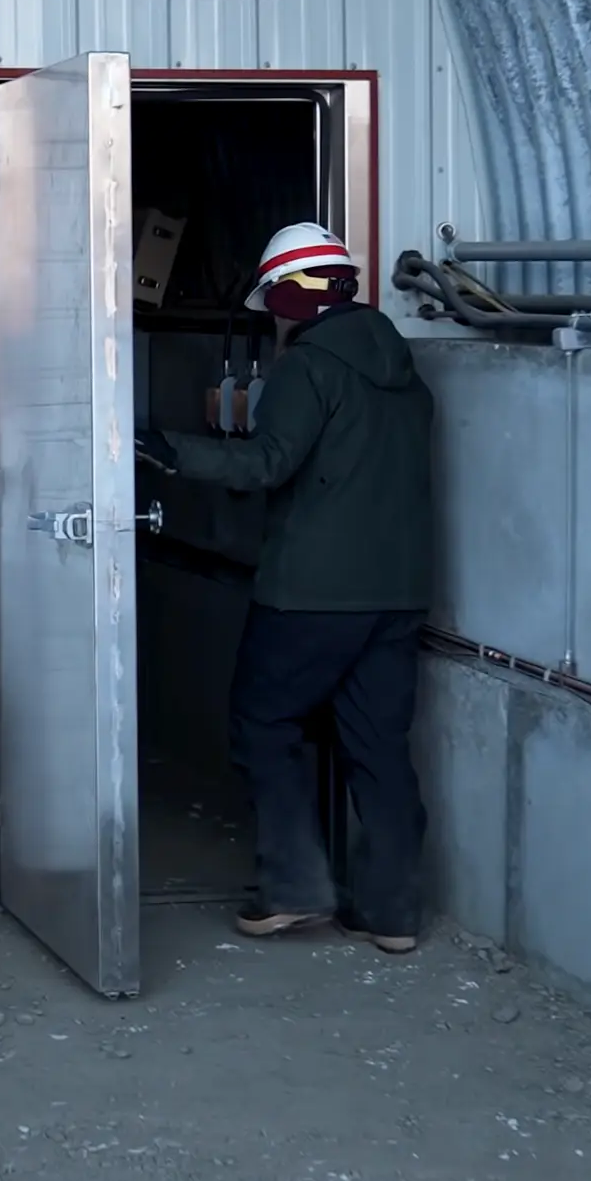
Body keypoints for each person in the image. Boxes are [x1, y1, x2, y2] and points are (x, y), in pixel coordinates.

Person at [140, 222, 437, 953]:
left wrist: (171, 450)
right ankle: (391, 912)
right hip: (396, 593)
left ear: (292, 295)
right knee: (378, 746)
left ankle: (294, 887)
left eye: (274, 300)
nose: (272, 314)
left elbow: (269, 463)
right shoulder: (404, 371)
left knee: (265, 726)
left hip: (311, 592)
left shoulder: (309, 368)